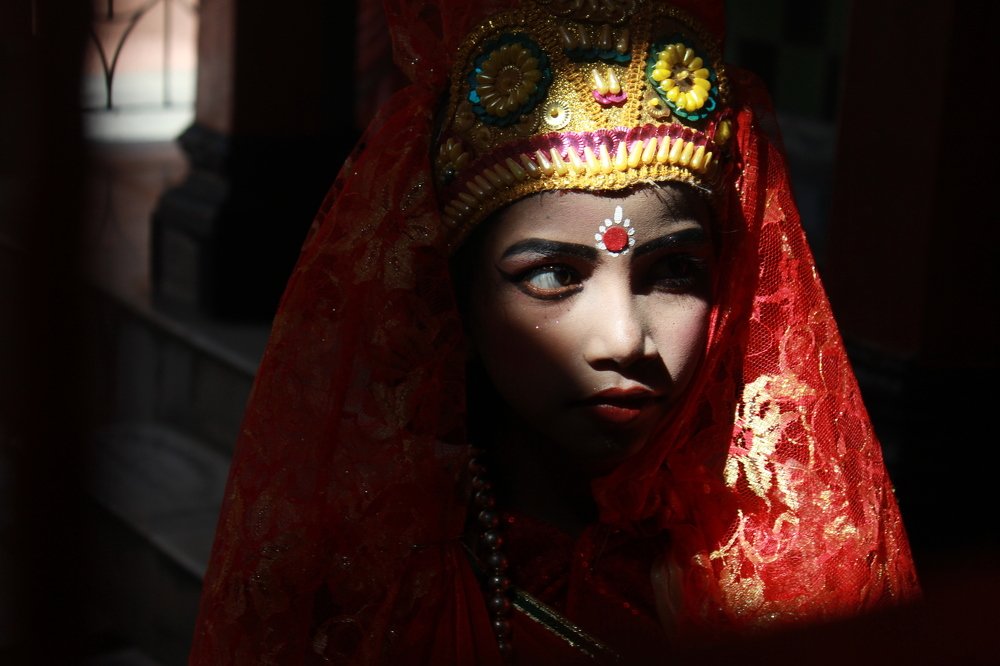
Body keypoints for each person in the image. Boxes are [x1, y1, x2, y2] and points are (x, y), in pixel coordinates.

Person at [188, 0, 919, 663]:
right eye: (551, 276)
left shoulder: (791, 557)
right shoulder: (373, 589)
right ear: (455, 297)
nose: (624, 339)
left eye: (672, 272)